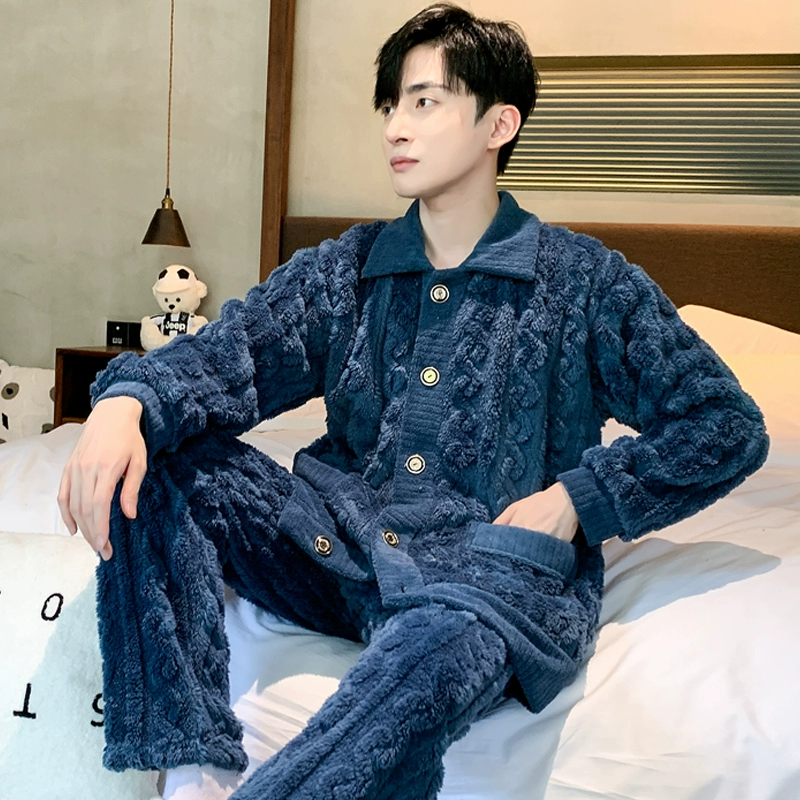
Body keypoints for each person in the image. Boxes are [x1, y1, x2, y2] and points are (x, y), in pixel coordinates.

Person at [58, 5, 769, 799]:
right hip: (333, 550)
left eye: (425, 102)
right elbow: (234, 355)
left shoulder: (583, 283)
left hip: (484, 581)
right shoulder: (349, 267)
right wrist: (127, 403)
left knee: (429, 656)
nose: (396, 126)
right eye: (392, 104)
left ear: (499, 123)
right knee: (157, 462)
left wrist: (577, 501)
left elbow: (724, 425)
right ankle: (187, 753)